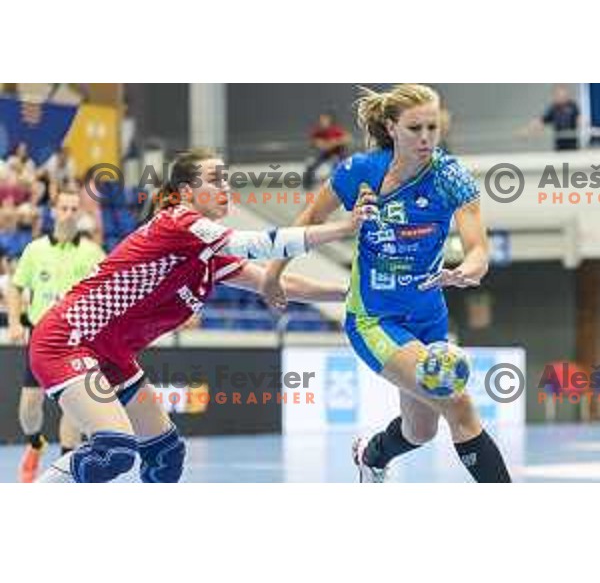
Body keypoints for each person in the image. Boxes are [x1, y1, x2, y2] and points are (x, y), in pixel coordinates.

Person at [30, 148, 370, 483]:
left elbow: (277, 283)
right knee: (114, 450)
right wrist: (344, 227)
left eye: (226, 180)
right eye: (215, 180)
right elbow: (265, 243)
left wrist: (349, 293)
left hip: (112, 355)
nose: (225, 188)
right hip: (67, 341)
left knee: (165, 454)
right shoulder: (179, 222)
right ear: (186, 193)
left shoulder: (208, 253)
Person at [263, 84, 511, 483]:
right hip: (374, 319)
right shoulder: (359, 171)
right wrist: (273, 275)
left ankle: (371, 454)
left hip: (429, 317)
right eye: (415, 128)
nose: (427, 137)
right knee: (458, 403)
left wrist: (471, 267)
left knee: (421, 431)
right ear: (392, 128)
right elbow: (309, 219)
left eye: (433, 126)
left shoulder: (451, 177)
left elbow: (479, 249)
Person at [7, 188, 105, 482]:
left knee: (72, 406)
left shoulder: (93, 253)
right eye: (64, 208)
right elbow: (16, 287)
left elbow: (106, 293)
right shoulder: (35, 250)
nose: (69, 213)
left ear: (80, 214)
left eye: (75, 208)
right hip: (41, 337)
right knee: (29, 408)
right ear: (53, 211)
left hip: (77, 339)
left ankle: (65, 467)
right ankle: (35, 443)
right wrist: (14, 321)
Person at [523, 84, 581, 151]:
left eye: (563, 94)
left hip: (572, 144)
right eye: (558, 95)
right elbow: (540, 121)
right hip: (559, 145)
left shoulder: (573, 106)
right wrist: (527, 131)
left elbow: (579, 120)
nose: (561, 96)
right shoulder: (553, 108)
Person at [304, 112, 351, 190]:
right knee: (311, 165)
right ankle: (307, 185)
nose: (323, 121)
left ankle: (338, 185)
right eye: (322, 120)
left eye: (325, 119)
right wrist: (322, 144)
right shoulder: (319, 131)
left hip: (337, 153)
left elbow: (347, 138)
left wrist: (335, 142)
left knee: (337, 166)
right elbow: (315, 141)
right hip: (325, 154)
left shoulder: (335, 130)